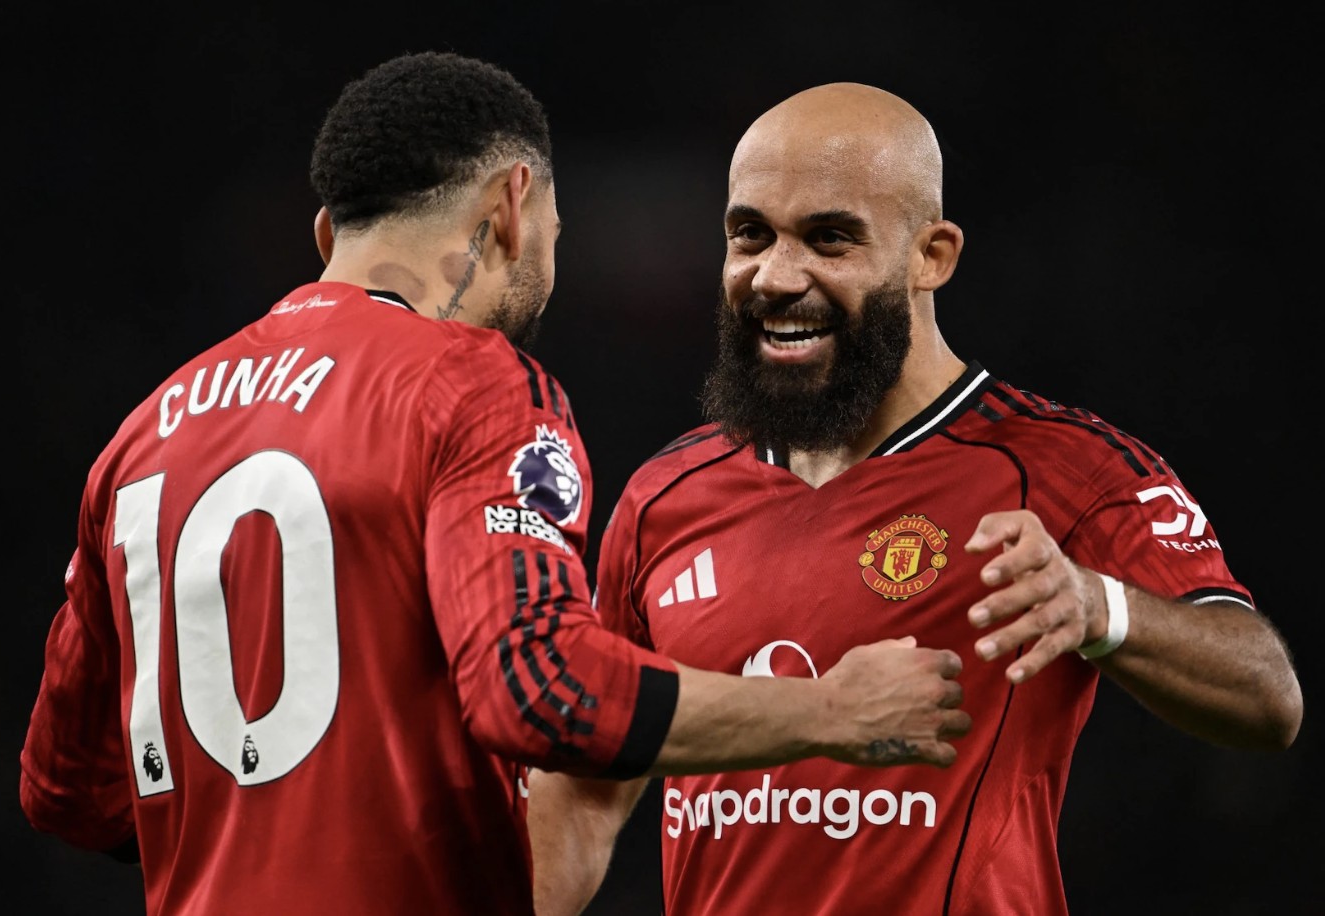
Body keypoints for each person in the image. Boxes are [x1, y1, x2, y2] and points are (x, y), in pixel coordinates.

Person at [18, 54, 974, 916]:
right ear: (514, 202)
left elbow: (65, 791)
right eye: (556, 224)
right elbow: (543, 690)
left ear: (326, 232)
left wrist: (256, 814)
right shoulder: (469, 382)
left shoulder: (144, 435)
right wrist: (833, 711)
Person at [526, 82, 1305, 916]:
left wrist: (1096, 606)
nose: (775, 277)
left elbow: (1267, 697)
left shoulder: (1059, 469)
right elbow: (585, 788)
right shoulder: (666, 496)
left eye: (829, 239)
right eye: (750, 234)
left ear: (931, 255)